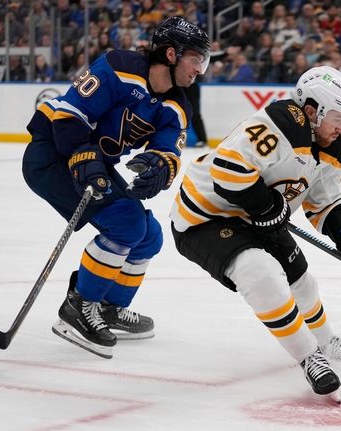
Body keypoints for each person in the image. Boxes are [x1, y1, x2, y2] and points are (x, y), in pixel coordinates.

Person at [169, 66, 341, 402]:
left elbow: (326, 201)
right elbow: (227, 170)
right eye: (338, 117)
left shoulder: (332, 147)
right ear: (312, 110)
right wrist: (267, 207)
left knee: (301, 280)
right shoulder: (282, 122)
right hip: (204, 217)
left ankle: (325, 339)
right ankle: (310, 356)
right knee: (260, 273)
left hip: (257, 216)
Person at [22, 17, 211, 359]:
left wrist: (158, 168)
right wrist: (82, 154)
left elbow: (168, 151)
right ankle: (79, 307)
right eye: (196, 59)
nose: (200, 68)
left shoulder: (178, 105)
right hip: (51, 154)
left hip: (97, 163)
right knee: (127, 224)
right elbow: (68, 114)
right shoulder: (118, 67)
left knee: (149, 234)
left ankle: (108, 308)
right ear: (172, 53)